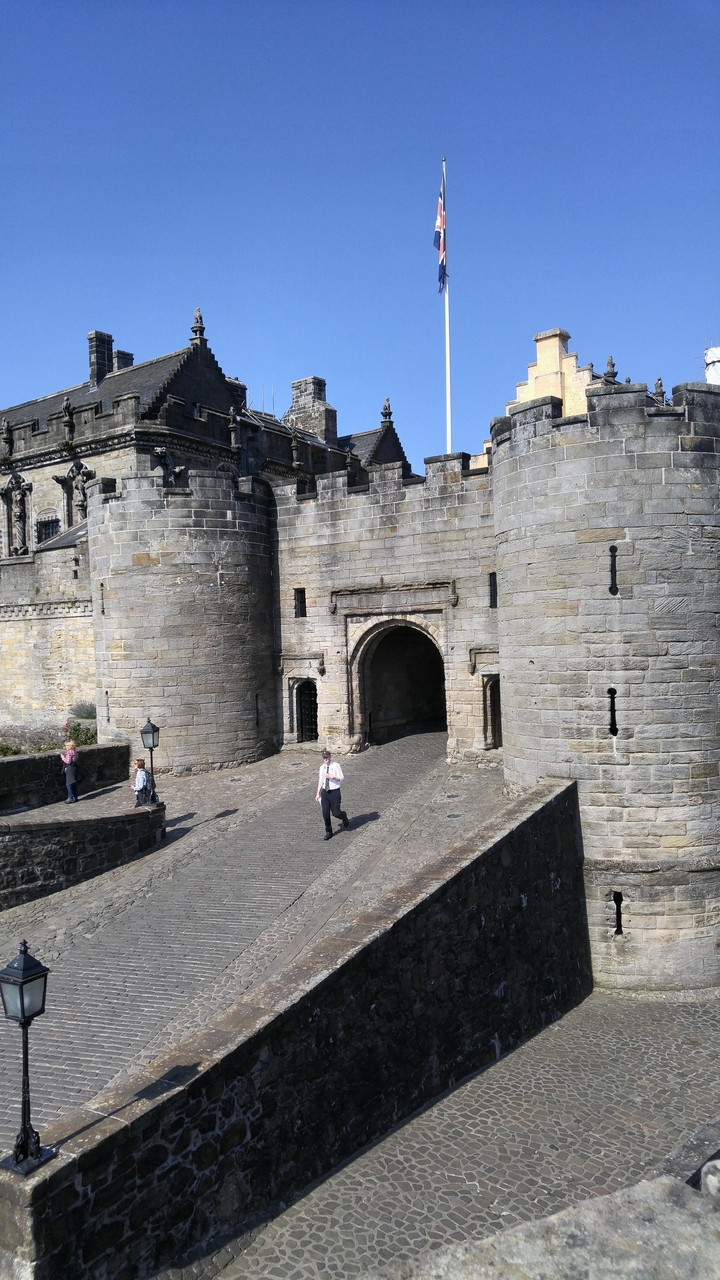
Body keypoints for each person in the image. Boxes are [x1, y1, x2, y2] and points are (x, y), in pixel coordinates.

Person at [315, 748, 349, 840]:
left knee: (336, 812)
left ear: (330, 757)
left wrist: (332, 777)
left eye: (326, 757)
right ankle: (328, 831)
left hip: (334, 792)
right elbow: (321, 781)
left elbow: (341, 778)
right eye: (324, 757)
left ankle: (344, 816)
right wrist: (318, 793)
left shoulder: (336, 765)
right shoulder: (322, 767)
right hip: (325, 792)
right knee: (325, 812)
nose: (325, 759)